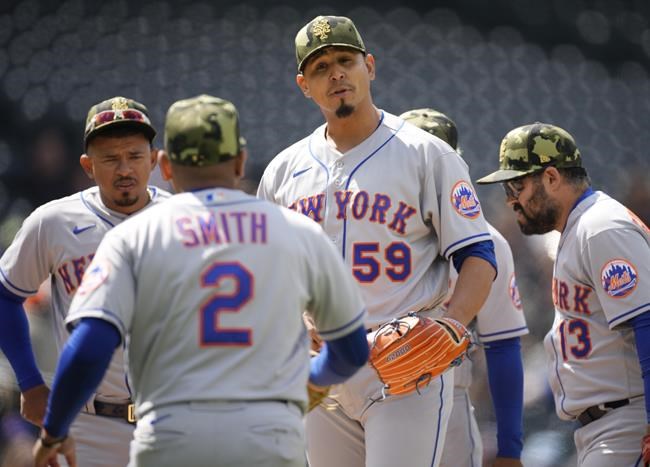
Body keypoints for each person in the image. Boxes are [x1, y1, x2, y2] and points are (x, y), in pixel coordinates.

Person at [32, 94, 370, 467]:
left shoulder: (135, 236)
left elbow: (89, 348)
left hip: (171, 435)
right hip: (268, 435)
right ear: (240, 161)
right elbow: (352, 350)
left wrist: (54, 431)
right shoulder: (299, 232)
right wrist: (313, 379)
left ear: (165, 165)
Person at [257, 15, 498, 467]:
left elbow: (478, 257)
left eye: (345, 60)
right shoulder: (283, 171)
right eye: (320, 67)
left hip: (405, 360)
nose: (336, 74)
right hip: (320, 369)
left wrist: (452, 323)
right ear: (303, 85)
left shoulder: (426, 154)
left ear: (370, 65)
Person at [0, 96, 170, 466]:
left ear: (154, 160)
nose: (124, 167)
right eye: (110, 158)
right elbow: (5, 295)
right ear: (88, 165)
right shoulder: (53, 222)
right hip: (88, 424)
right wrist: (29, 382)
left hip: (172, 417)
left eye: (135, 155)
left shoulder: (184, 220)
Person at [476, 122, 650, 466]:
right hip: (604, 425)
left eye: (517, 185)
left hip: (627, 421)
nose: (510, 200)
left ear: (552, 178)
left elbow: (646, 321)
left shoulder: (601, 227)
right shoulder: (578, 228)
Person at [400, 108, 528, 467]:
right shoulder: (366, 230)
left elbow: (503, 344)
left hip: (447, 394)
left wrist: (510, 448)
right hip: (363, 390)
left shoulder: (490, 243)